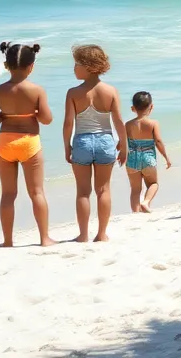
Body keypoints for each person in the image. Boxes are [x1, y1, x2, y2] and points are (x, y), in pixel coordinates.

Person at [0, 42, 55, 247]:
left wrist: (4, 116)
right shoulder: (36, 90)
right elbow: (47, 119)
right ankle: (44, 239)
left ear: (6, 65)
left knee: (7, 194)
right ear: (31, 66)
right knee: (37, 192)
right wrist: (33, 113)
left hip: (5, 143)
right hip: (29, 143)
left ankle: (7, 241)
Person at [63, 45, 127, 242]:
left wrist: (67, 146)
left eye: (77, 64)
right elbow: (118, 121)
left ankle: (83, 235)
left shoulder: (73, 92)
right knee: (103, 190)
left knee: (83, 192)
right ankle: (101, 234)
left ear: (89, 67)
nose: (73, 68)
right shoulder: (110, 91)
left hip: (81, 141)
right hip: (105, 141)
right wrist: (124, 144)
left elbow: (68, 123)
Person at [125, 91, 171, 214]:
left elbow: (123, 143)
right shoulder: (153, 123)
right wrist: (166, 157)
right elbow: (158, 141)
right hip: (148, 157)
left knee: (135, 190)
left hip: (132, 158)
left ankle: (135, 214)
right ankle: (146, 202)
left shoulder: (128, 124)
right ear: (151, 106)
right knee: (153, 183)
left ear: (132, 108)